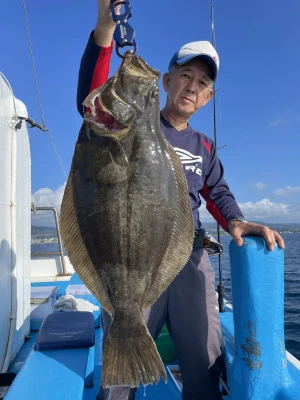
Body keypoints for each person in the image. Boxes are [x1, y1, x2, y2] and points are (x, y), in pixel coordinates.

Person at [76, 1, 285, 399]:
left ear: (208, 97)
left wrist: (236, 221)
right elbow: (91, 99)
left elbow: (217, 192)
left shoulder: (204, 146)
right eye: (186, 75)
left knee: (204, 360)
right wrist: (105, 29)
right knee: (119, 373)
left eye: (203, 83)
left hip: (189, 260)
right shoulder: (128, 124)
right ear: (167, 81)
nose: (192, 86)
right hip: (131, 260)